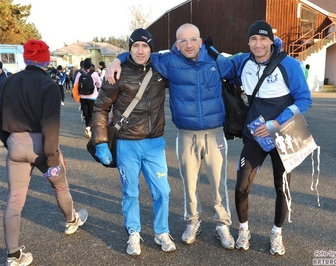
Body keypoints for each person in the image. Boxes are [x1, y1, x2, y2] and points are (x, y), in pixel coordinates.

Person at [106, 23, 236, 250]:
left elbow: (240, 65)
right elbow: (140, 51)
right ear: (176, 44)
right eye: (183, 40)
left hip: (215, 133)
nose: (188, 44)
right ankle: (192, 221)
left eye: (193, 39)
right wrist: (118, 58)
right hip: (186, 134)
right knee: (189, 183)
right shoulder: (167, 61)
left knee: (219, 183)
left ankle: (222, 224)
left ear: (200, 41)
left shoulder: (216, 61)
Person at [0, 39, 88, 266]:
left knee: (15, 200)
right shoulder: (49, 86)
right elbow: (50, 126)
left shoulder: (9, 82)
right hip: (43, 147)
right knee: (60, 186)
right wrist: (52, 159)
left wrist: (7, 140)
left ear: (26, 58)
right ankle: (71, 220)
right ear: (46, 60)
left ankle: (13, 255)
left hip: (16, 144)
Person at [231, 20, 312, 255]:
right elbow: (212, 61)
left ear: (270, 41)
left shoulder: (289, 65)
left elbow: (305, 100)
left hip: (283, 135)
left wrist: (275, 124)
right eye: (253, 39)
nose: (258, 44)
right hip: (254, 136)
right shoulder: (241, 62)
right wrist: (123, 60)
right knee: (241, 187)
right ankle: (243, 229)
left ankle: (277, 233)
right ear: (248, 42)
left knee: (282, 187)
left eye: (263, 39)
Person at [92, 28, 175, 256]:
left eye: (145, 46)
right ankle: (134, 233)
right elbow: (101, 108)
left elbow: (181, 53)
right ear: (129, 48)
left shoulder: (160, 70)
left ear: (151, 49)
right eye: (136, 46)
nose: (140, 50)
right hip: (127, 143)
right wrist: (100, 142)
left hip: (154, 143)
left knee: (163, 192)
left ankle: (161, 232)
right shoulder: (116, 74)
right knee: (131, 192)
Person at [73, 58, 102, 138]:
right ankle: (89, 128)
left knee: (86, 114)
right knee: (93, 113)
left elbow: (75, 84)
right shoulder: (94, 73)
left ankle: (88, 130)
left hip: (82, 96)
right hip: (93, 96)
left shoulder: (79, 73)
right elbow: (99, 84)